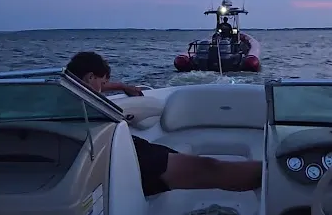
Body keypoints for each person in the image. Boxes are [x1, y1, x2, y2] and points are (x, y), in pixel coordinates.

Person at [66, 51, 262, 197]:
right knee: (209, 168)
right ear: (90, 77)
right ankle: (270, 173)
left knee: (176, 155)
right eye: (102, 83)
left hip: (110, 150)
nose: (103, 90)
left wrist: (121, 86)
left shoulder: (62, 99)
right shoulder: (89, 109)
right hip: (122, 158)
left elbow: (91, 86)